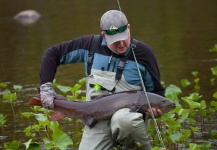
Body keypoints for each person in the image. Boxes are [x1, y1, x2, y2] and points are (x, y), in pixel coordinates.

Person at [39, 10, 165, 150]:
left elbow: (157, 92)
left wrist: (155, 111)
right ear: (104, 35)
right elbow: (52, 54)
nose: (122, 44)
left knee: (124, 121)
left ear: (129, 28)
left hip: (129, 117)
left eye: (124, 37)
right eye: (115, 41)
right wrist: (46, 87)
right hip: (96, 119)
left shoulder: (144, 54)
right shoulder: (89, 45)